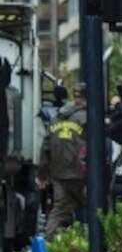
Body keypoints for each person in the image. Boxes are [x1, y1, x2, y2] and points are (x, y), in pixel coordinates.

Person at [37, 82, 87, 240]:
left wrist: (42, 173)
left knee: (59, 211)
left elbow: (46, 146)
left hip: (58, 174)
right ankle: (88, 247)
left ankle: (48, 247)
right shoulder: (87, 117)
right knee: (92, 208)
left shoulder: (56, 118)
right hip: (81, 174)